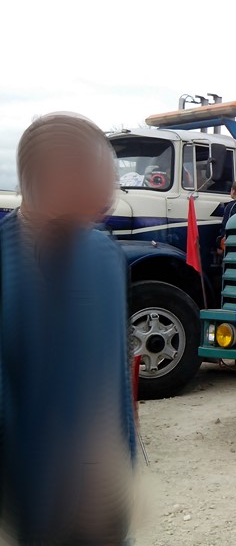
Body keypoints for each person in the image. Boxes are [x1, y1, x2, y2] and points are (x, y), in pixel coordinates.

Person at [0, 113, 137, 544]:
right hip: (28, 500)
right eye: (95, 174)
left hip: (104, 496)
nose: (108, 192)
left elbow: (112, 374)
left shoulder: (103, 255)